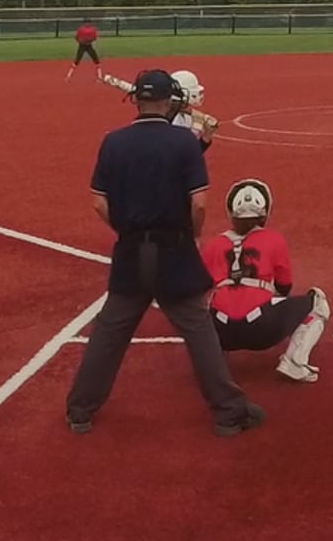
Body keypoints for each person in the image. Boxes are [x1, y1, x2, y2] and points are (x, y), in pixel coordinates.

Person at [65, 70, 264, 437]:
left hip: (130, 250)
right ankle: (229, 411)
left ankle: (80, 410)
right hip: (174, 249)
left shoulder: (113, 142)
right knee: (199, 329)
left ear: (136, 101)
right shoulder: (183, 142)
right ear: (169, 100)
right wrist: (193, 236)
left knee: (110, 331)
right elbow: (198, 203)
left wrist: (125, 230)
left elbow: (98, 203)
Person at [200, 179, 331, 384]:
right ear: (264, 213)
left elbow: (197, 287)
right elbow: (284, 287)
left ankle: (210, 364)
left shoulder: (213, 245)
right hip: (261, 328)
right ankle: (294, 363)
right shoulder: (273, 239)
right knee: (317, 302)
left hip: (221, 331)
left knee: (202, 309)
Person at [169, 68, 218, 154]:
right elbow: (188, 155)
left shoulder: (172, 113)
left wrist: (206, 136)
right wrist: (205, 136)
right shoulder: (175, 122)